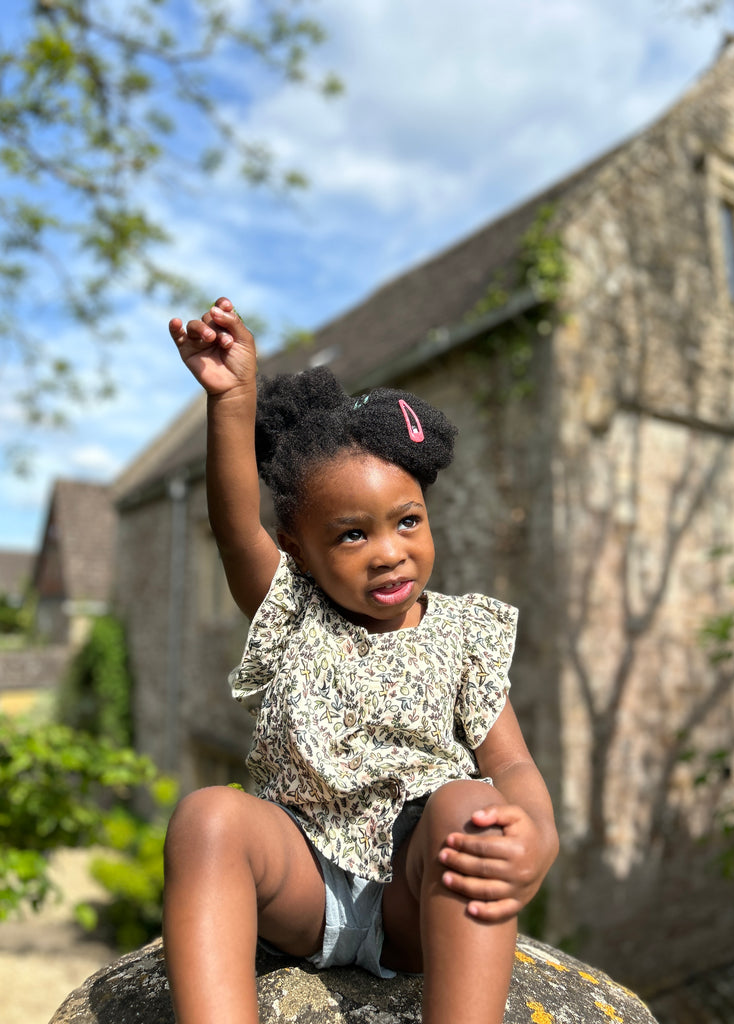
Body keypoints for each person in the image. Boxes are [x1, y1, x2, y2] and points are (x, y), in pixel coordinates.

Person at [163, 297, 559, 1024]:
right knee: (207, 817)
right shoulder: (293, 613)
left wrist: (536, 834)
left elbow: (512, 767)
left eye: (407, 521)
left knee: (474, 805)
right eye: (350, 535)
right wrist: (232, 400)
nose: (388, 551)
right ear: (297, 550)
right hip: (303, 885)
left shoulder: (464, 634)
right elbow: (230, 525)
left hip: (416, 894)